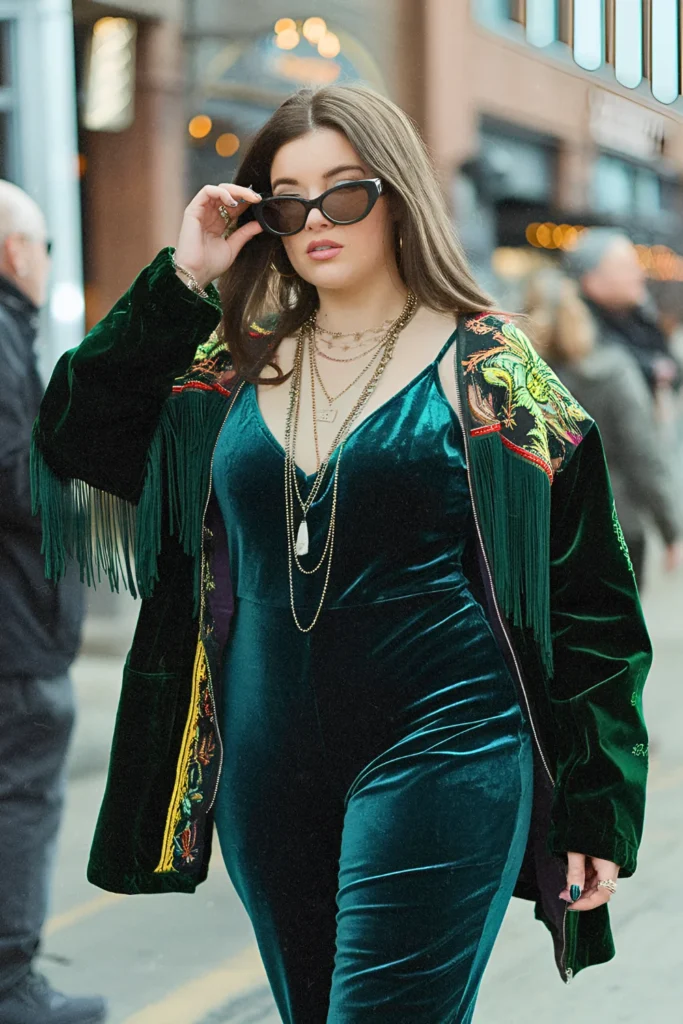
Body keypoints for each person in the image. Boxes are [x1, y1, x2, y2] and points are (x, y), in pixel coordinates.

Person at [31, 87, 651, 1023]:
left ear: (396, 195)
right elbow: (76, 434)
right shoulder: (227, 363)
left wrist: (598, 803)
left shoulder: (492, 368)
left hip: (447, 747)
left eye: (344, 193)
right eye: (287, 199)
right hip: (263, 763)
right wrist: (182, 274)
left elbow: (591, 600)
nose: (315, 219)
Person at [0, 181, 106, 1024]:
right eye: (44, 248)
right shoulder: (1, 334)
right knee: (21, 796)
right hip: (13, 637)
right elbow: (19, 477)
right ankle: (10, 986)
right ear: (15, 251)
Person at [564, 226, 682, 397]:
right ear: (592, 280)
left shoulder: (639, 316)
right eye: (626, 267)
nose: (640, 274)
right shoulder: (573, 337)